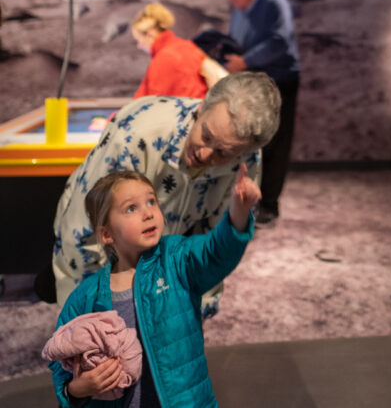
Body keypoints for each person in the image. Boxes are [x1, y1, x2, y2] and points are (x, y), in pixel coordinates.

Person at [49, 72, 280, 309]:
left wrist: (201, 300)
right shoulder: (137, 134)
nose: (205, 154)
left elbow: (217, 240)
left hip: (162, 252)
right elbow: (83, 227)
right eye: (206, 135)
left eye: (223, 152)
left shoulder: (246, 157)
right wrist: (91, 306)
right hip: (103, 248)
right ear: (202, 108)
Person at [46, 165, 260, 407]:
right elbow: (60, 358)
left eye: (151, 202)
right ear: (106, 234)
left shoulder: (176, 258)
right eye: (131, 208)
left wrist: (238, 214)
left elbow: (215, 252)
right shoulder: (85, 297)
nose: (148, 213)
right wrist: (76, 390)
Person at [218, 0, 300, 225]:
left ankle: (269, 205)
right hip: (253, 83)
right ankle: (253, 201)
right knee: (256, 142)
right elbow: (236, 39)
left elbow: (280, 39)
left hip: (279, 82)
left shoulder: (274, 2)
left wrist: (246, 60)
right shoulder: (241, 9)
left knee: (275, 143)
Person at [131, 2, 228, 99]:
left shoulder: (163, 59)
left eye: (139, 40)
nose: (139, 46)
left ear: (150, 33)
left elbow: (152, 104)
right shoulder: (189, 47)